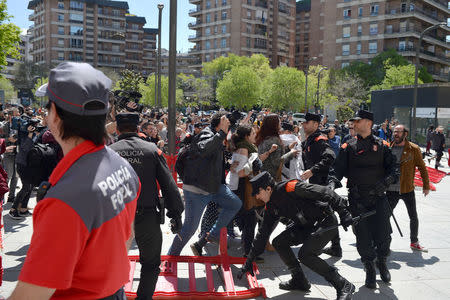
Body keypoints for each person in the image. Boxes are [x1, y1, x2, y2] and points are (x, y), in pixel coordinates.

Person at [9, 62, 140, 299]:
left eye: (48, 108)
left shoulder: (65, 200)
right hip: (113, 290)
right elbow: (127, 236)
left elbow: (30, 294)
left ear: (56, 116)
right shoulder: (123, 167)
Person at [238, 171, 355, 300]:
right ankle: (299, 280)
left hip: (325, 222)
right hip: (305, 226)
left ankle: (343, 284)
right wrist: (249, 261)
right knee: (279, 242)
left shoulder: (291, 187)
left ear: (268, 188)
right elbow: (262, 235)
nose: (257, 197)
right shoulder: (270, 207)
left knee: (305, 255)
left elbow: (325, 192)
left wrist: (343, 212)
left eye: (258, 193)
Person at [110, 113, 184, 299]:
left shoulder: (108, 152)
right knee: (150, 264)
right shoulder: (152, 150)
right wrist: (175, 214)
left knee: (110, 262)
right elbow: (169, 185)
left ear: (117, 130)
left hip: (115, 218)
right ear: (138, 129)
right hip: (146, 216)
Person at [333, 110, 398, 289]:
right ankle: (369, 268)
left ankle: (382, 262)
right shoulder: (348, 146)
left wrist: (386, 182)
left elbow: (394, 170)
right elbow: (336, 170)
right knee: (362, 236)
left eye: (357, 120)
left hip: (378, 198)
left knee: (384, 235)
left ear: (368, 123)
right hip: (357, 199)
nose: (353, 122)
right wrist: (331, 184)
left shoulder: (383, 145)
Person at [168, 112, 242, 256]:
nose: (230, 126)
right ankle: (171, 256)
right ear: (220, 123)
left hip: (214, 186)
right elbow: (204, 149)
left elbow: (210, 161)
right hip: (197, 190)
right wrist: (221, 133)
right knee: (189, 228)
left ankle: (213, 234)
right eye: (227, 123)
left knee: (234, 203)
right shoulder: (206, 134)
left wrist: (227, 167)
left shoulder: (217, 135)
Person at [300, 113, 342, 256]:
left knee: (326, 213)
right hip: (316, 182)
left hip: (324, 181)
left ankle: (333, 246)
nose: (304, 124)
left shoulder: (320, 139)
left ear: (316, 125)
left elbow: (330, 157)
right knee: (325, 213)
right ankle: (335, 246)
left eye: (307, 122)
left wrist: (312, 170)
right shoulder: (310, 140)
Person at [387, 125, 429, 252]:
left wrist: (426, 185)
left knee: (413, 216)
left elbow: (422, 167)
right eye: (394, 132)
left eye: (398, 132)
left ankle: (414, 242)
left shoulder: (413, 149)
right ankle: (383, 242)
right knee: (384, 217)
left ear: (405, 133)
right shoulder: (388, 147)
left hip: (407, 188)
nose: (396, 134)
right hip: (390, 189)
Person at [255, 114, 284, 181]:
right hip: (271, 177)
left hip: (260, 175)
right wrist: (291, 154)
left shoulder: (261, 137)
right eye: (279, 122)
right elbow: (277, 162)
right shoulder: (274, 140)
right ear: (274, 125)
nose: (280, 124)